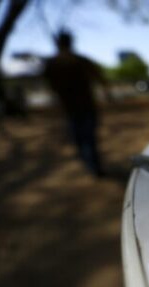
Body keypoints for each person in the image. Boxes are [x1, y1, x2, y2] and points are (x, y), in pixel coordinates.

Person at [44, 31, 108, 177]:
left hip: (75, 108)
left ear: (58, 44)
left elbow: (50, 87)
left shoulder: (54, 63)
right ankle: (92, 165)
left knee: (84, 139)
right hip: (81, 107)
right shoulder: (73, 61)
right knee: (86, 139)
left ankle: (92, 165)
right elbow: (100, 78)